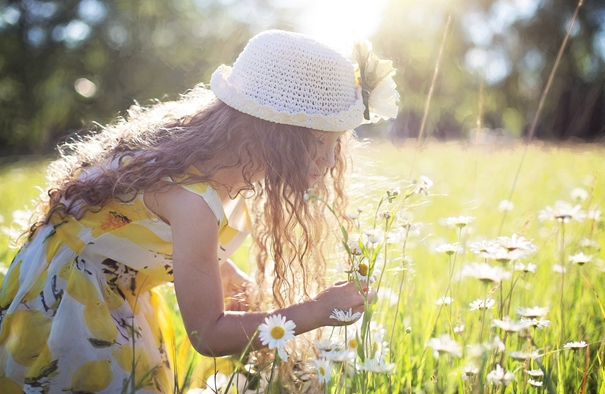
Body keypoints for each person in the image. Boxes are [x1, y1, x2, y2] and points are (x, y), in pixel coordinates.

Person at [0, 30, 398, 393]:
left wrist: (224, 273)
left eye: (336, 143)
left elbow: (134, 229)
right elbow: (207, 335)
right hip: (70, 304)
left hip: (109, 282)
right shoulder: (193, 203)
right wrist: (316, 312)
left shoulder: (207, 156)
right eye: (316, 142)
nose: (329, 161)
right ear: (268, 133)